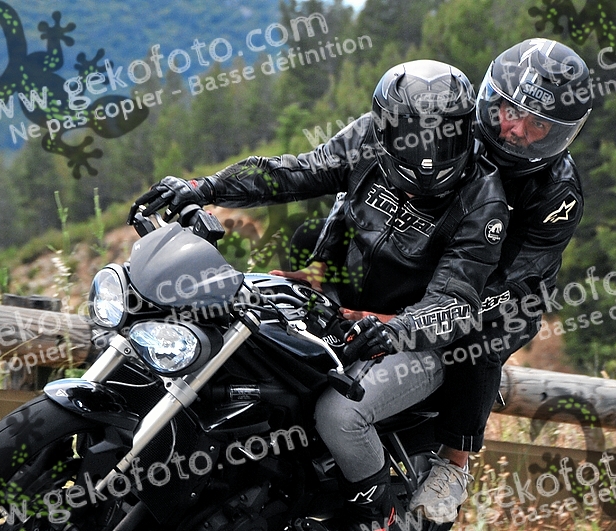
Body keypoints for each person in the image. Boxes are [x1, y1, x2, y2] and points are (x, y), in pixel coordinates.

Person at [130, 59, 509, 531]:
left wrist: (397, 329)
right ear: (384, 129)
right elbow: (292, 173)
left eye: (444, 136)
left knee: (340, 414)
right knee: (233, 329)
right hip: (333, 307)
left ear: (467, 128)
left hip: (415, 341)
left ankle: (380, 516)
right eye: (413, 136)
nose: (428, 153)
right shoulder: (366, 140)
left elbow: (454, 300)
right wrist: (202, 188)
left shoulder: (483, 200)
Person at [293, 38, 593, 526]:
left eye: (537, 125)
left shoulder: (557, 193)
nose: (515, 129)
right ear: (490, 99)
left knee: (480, 334)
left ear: (560, 134)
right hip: (428, 264)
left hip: (502, 291)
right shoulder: (454, 129)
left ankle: (454, 464)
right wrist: (318, 270)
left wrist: (403, 321)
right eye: (509, 111)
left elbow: (509, 280)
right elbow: (357, 192)